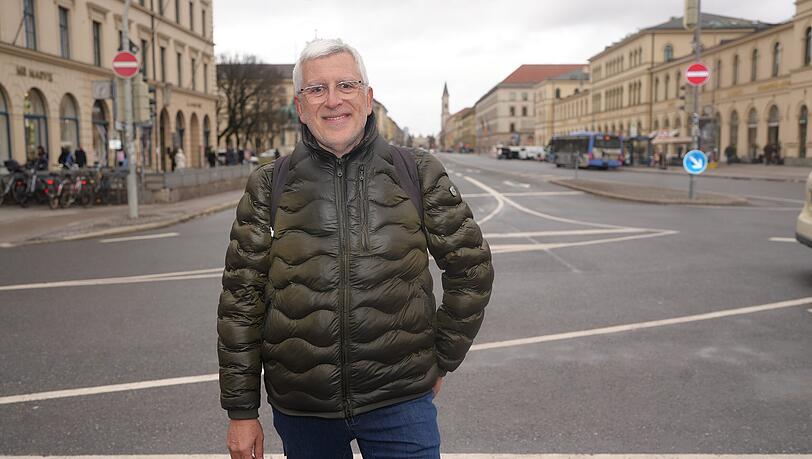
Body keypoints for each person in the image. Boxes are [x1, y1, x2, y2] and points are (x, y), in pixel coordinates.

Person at [217, 38, 494, 459]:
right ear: (300, 105)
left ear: (367, 98)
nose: (333, 101)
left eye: (346, 85)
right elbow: (241, 301)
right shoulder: (269, 184)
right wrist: (241, 411)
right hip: (303, 408)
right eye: (317, 89)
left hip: (400, 401)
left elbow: (471, 267)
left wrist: (441, 357)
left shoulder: (416, 171)